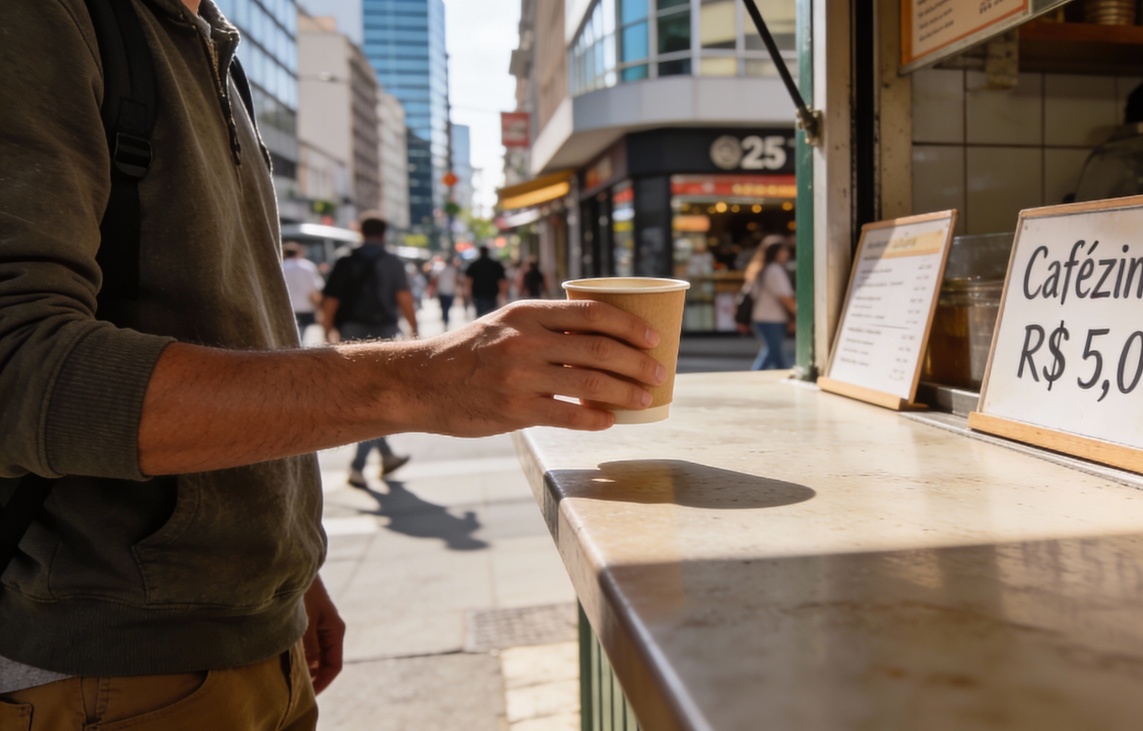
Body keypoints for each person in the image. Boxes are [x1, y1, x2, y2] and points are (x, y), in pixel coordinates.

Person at [0, 2, 667, 729]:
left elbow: (222, 331)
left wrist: (291, 564)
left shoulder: (211, 45)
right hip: (108, 670)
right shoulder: (46, 18)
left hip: (255, 628)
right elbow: (18, 366)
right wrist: (419, 377)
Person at [321, 213, 418, 489]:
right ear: (384, 233)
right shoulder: (392, 261)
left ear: (360, 231)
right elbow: (404, 298)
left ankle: (383, 457)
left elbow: (331, 299)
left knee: (368, 397)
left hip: (351, 331)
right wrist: (414, 330)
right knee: (376, 398)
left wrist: (328, 330)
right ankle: (358, 466)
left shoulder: (345, 260)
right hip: (384, 332)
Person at [743, 236, 796, 370]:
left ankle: (783, 372)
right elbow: (784, 296)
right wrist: (797, 313)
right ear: (777, 252)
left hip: (761, 317)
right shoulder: (774, 270)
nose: (787, 254)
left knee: (774, 352)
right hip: (772, 319)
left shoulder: (760, 269)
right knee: (772, 351)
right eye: (784, 251)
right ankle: (755, 375)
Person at [281, 243, 325, 342]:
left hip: (285, 308)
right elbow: (314, 290)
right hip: (305, 307)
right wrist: (319, 308)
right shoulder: (307, 266)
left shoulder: (280, 266)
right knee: (302, 337)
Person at [465, 246, 508, 317]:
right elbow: (502, 280)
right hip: (491, 293)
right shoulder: (495, 264)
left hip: (479, 293)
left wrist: (468, 293)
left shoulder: (474, 265)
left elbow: (468, 280)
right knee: (491, 315)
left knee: (481, 316)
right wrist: (503, 294)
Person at [428, 255, 460, 329]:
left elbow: (435, 281)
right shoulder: (453, 270)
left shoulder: (440, 269)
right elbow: (456, 281)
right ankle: (446, 320)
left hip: (442, 291)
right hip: (449, 291)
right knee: (446, 308)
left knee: (444, 308)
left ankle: (445, 319)